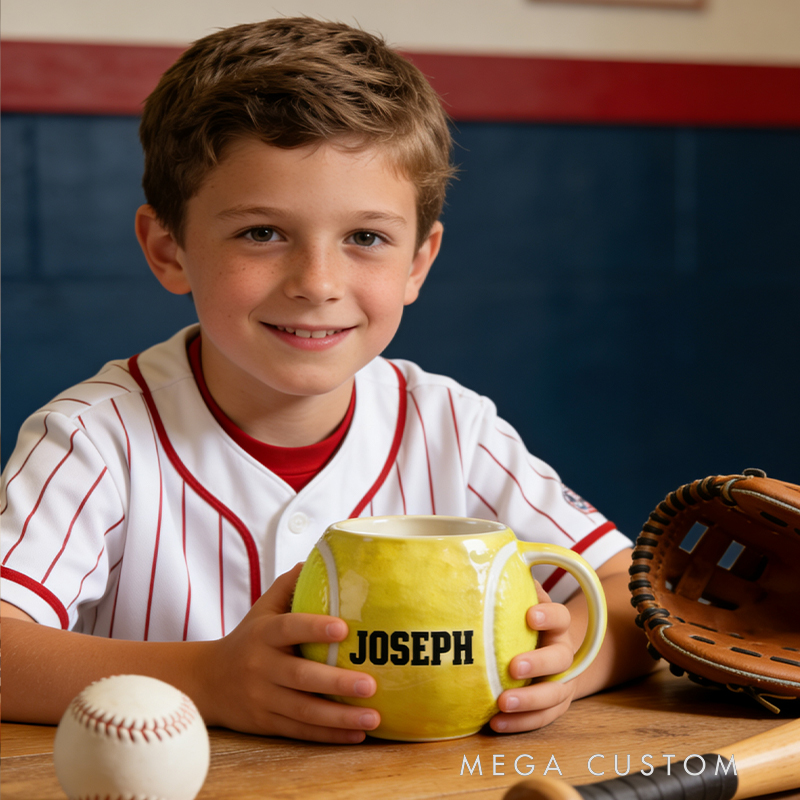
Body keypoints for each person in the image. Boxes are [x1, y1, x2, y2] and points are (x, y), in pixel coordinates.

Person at [0, 16, 653, 743]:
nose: (318, 282)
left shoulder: (448, 426)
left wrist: (565, 667)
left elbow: (637, 595)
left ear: (418, 261)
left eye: (365, 238)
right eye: (262, 233)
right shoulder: (95, 436)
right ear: (168, 247)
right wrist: (209, 681)